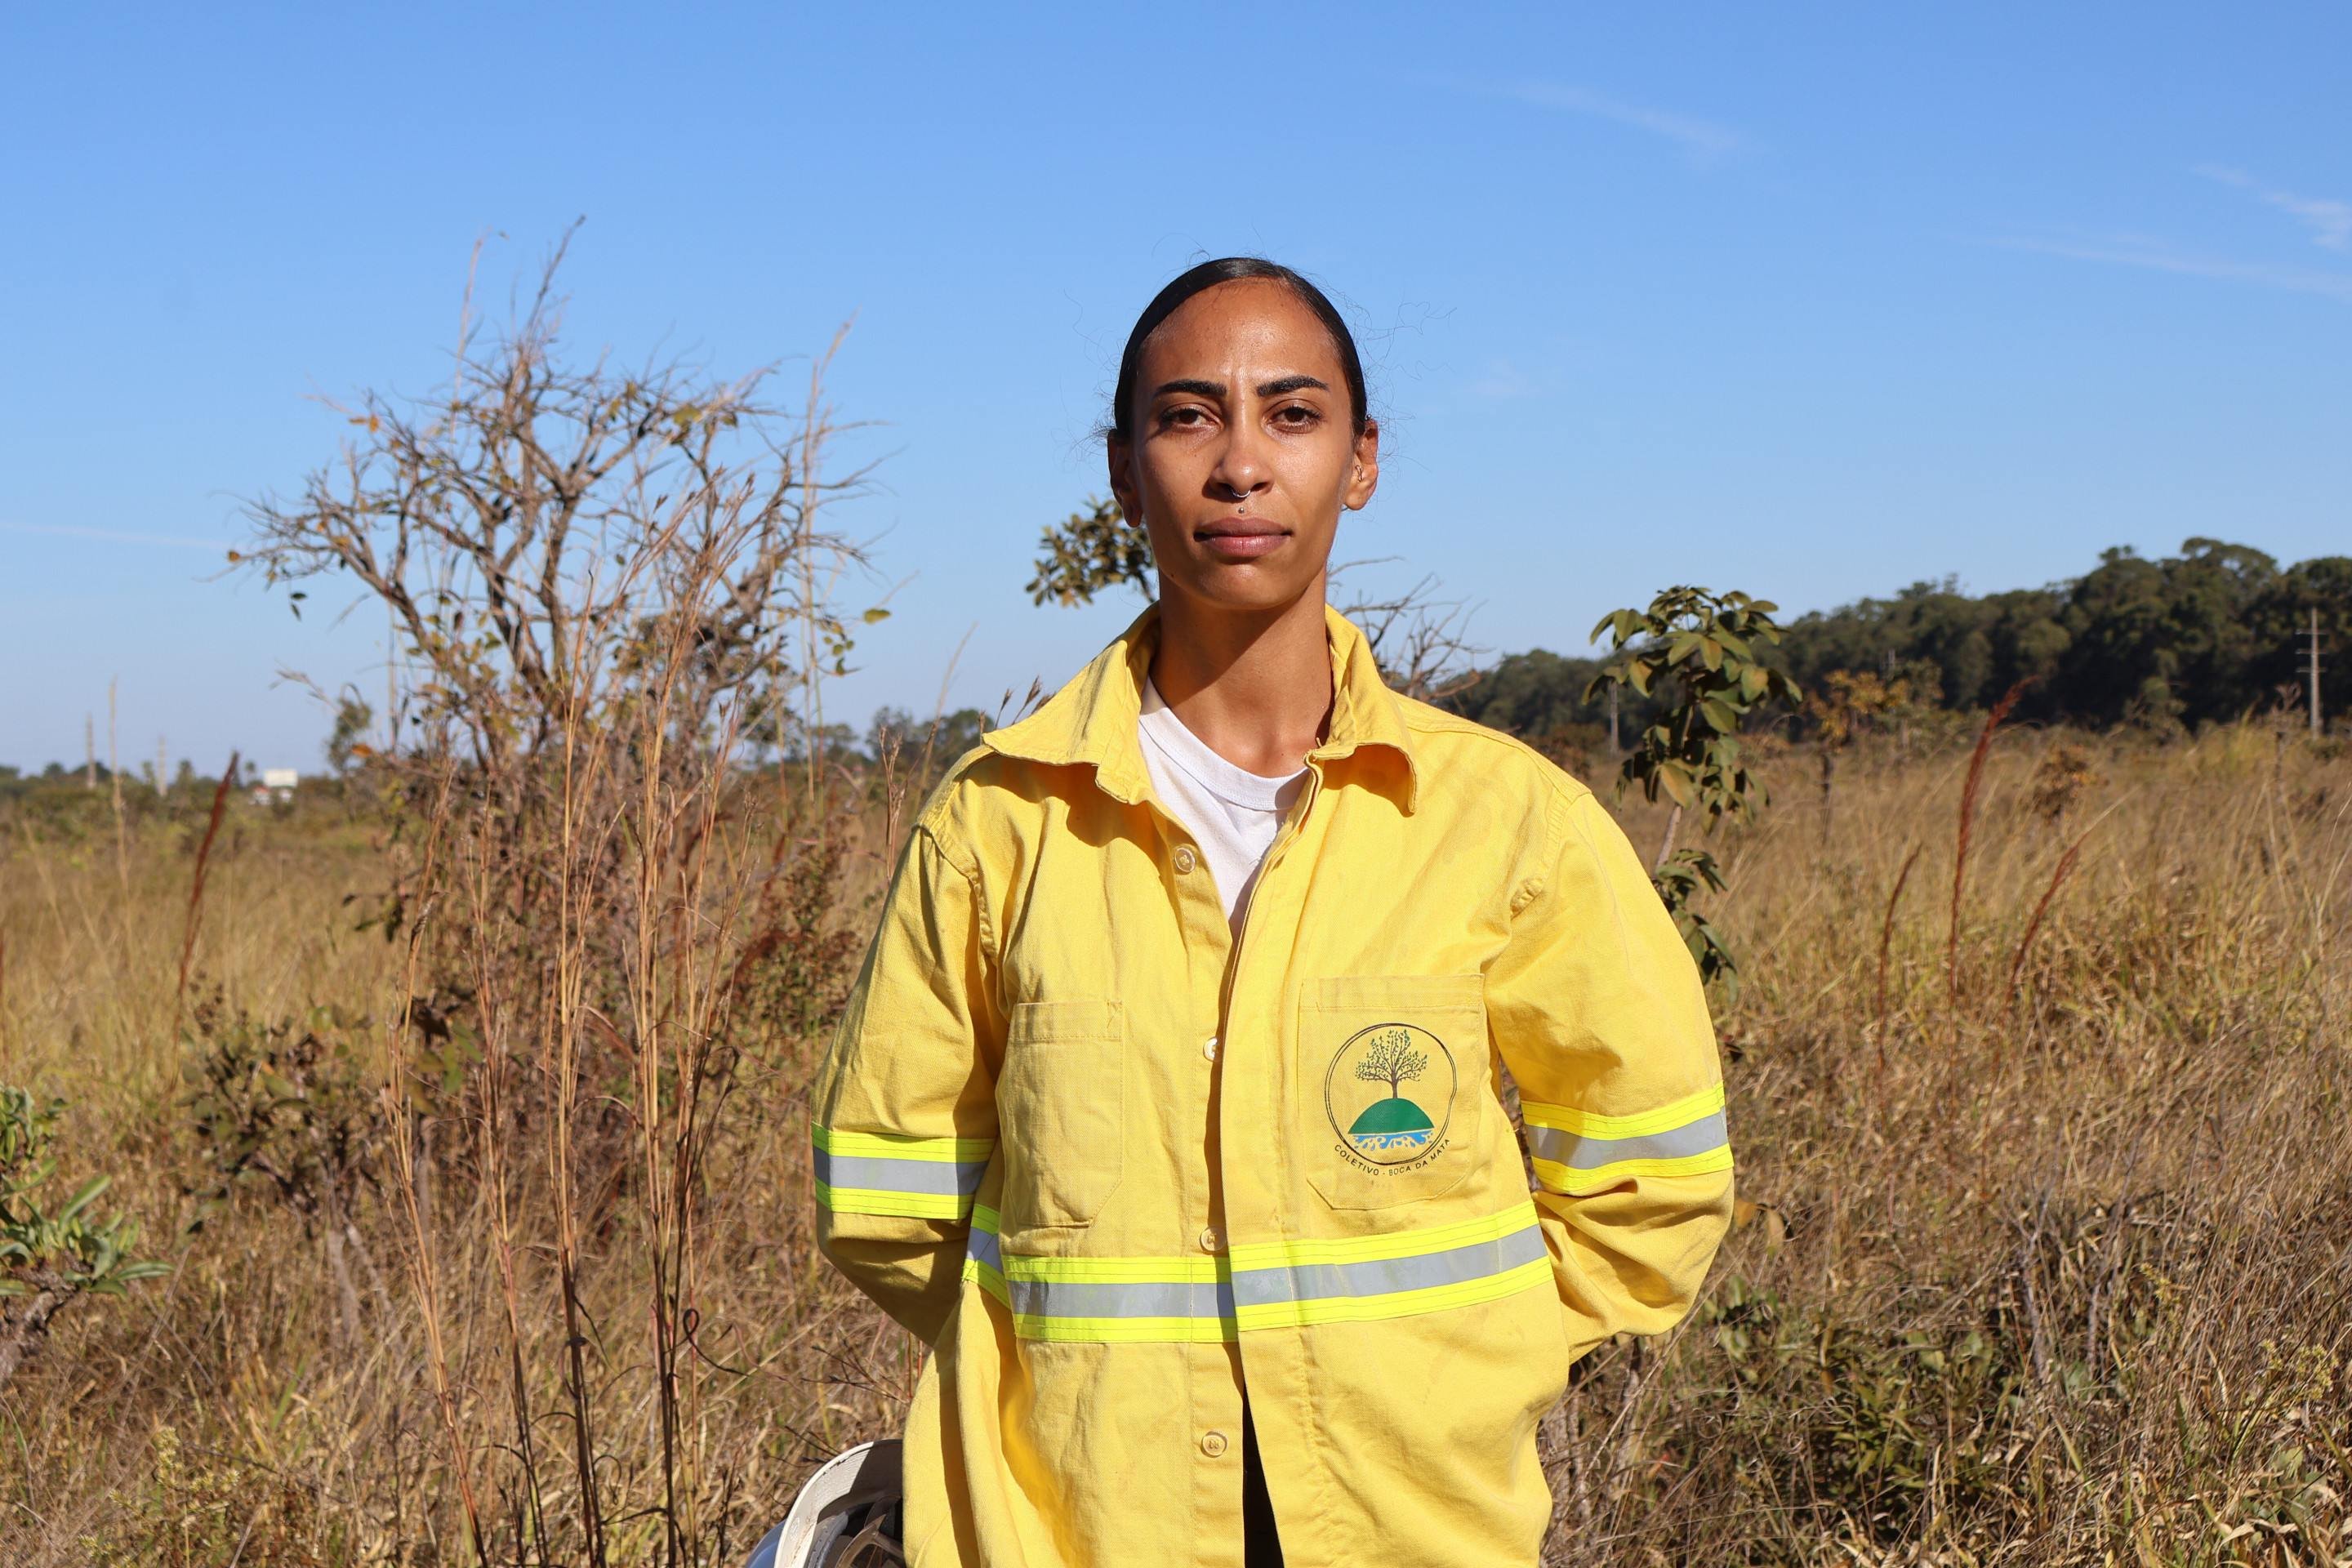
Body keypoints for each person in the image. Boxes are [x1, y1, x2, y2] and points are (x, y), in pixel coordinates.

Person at [811, 258, 1734, 1568]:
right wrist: (1077, 1380)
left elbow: (1660, 1178)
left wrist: (1480, 1363)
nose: (1240, 465)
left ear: (1361, 461)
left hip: (1414, 1528)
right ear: (1124, 471)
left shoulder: (1501, 819)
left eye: (1291, 415)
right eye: (1189, 417)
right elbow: (887, 1203)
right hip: (1075, 1529)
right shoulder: (1000, 820)